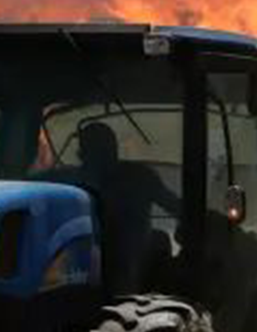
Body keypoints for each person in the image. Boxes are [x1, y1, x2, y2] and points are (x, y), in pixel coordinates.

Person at [77, 121, 181, 292]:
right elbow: (175, 206)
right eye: (96, 150)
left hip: (134, 266)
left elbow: (176, 207)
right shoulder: (72, 184)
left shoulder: (139, 177)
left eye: (104, 149)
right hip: (87, 265)